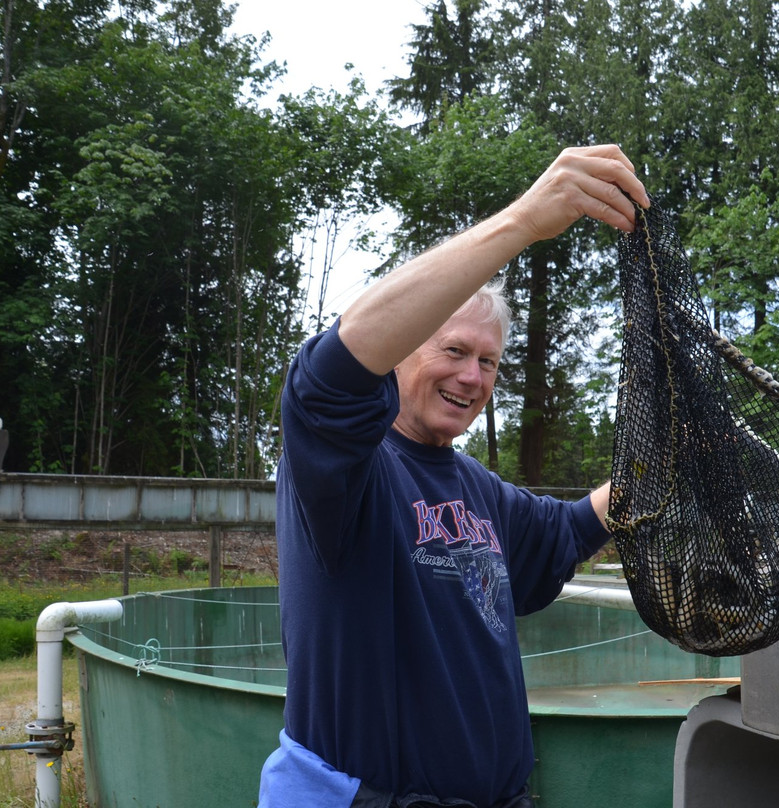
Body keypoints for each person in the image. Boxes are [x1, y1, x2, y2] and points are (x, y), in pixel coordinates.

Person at [258, 145, 650, 808]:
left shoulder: (477, 488)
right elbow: (329, 378)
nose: (473, 376)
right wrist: (525, 220)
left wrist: (656, 472)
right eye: (454, 350)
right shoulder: (340, 465)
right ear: (400, 347)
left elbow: (564, 531)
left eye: (489, 363)